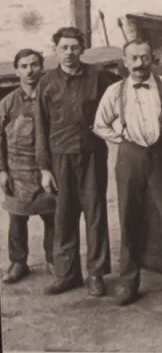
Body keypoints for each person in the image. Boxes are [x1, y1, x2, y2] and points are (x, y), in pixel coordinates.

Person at [93, 39, 162, 306]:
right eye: (133, 58)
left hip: (161, 157)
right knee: (127, 218)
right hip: (129, 157)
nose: (139, 64)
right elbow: (100, 124)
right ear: (125, 61)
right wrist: (122, 137)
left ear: (152, 58)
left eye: (144, 58)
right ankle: (128, 282)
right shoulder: (115, 91)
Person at [35, 26, 118, 296]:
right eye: (64, 48)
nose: (69, 53)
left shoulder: (100, 76)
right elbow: (41, 127)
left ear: (82, 49)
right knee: (64, 215)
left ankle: (96, 274)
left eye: (74, 47)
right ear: (56, 50)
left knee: (95, 213)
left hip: (92, 154)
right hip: (60, 156)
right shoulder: (47, 82)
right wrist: (44, 168)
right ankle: (67, 274)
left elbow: (121, 100)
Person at [0, 49, 57, 284]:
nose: (30, 70)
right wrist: (1, 171)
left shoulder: (52, 97)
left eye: (34, 64)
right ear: (17, 71)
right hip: (17, 169)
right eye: (24, 66)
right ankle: (18, 261)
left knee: (52, 216)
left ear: (42, 67)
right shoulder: (7, 103)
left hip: (47, 169)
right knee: (17, 219)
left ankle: (55, 259)